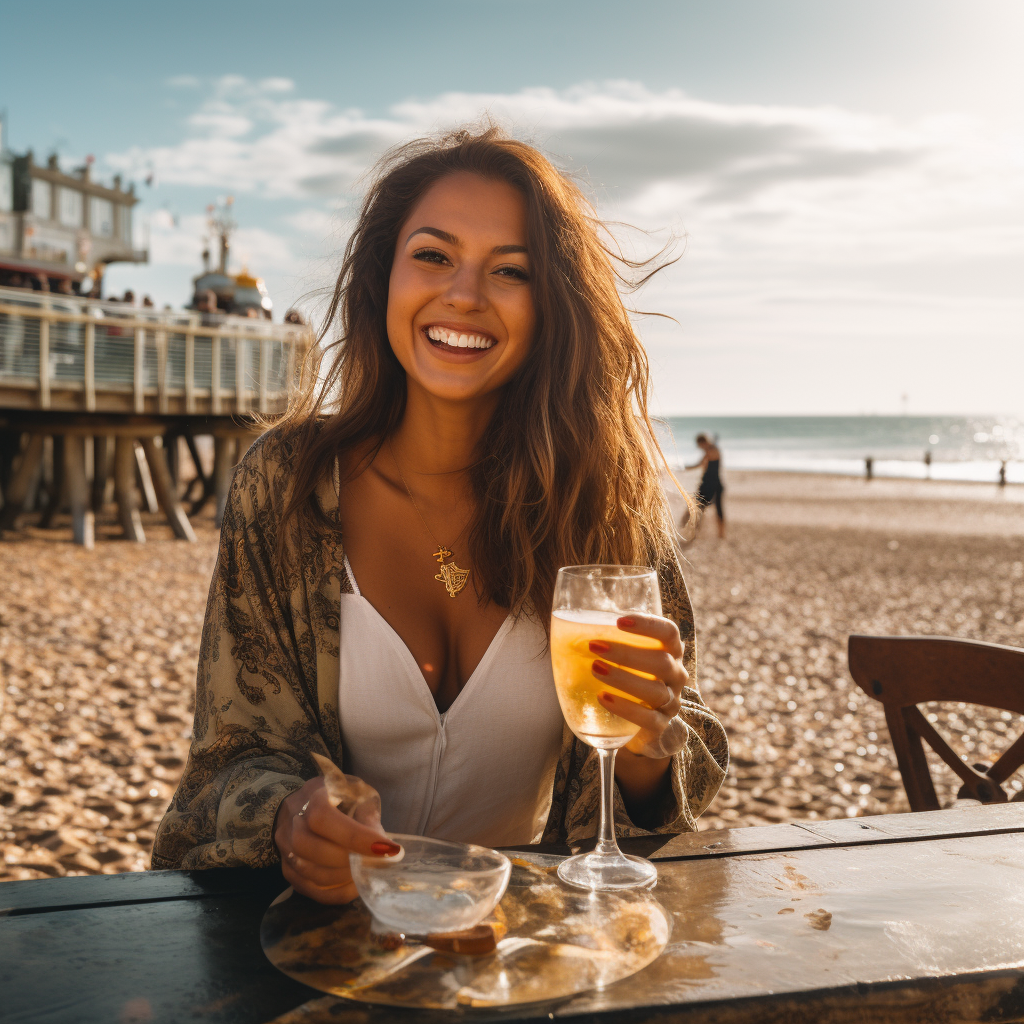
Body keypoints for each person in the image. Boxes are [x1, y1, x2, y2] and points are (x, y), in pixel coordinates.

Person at [152, 128, 728, 903]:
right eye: (432, 255)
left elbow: (681, 765)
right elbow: (229, 758)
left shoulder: (605, 505)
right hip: (314, 955)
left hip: (524, 958)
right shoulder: (288, 486)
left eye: (511, 270)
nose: (464, 294)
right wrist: (291, 818)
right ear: (382, 278)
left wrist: (648, 748)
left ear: (551, 305)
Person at [686, 434, 725, 539]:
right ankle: (694, 532)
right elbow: (703, 465)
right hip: (707, 483)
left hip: (714, 484)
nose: (700, 448)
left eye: (700, 445)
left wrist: (686, 467)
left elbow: (701, 463)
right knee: (698, 507)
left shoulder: (712, 450)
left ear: (702, 443)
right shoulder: (710, 449)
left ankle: (721, 534)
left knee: (716, 508)